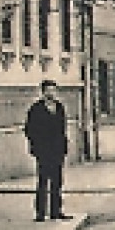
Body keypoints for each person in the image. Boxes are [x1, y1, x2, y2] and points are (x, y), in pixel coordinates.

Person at [24, 79, 71, 221]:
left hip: (57, 150)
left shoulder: (59, 107)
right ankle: (40, 213)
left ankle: (56, 211)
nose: (51, 93)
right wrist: (36, 145)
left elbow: (63, 128)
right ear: (43, 92)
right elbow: (29, 129)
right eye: (48, 91)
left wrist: (64, 145)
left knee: (57, 181)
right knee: (43, 181)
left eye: (53, 90)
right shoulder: (36, 109)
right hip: (43, 150)